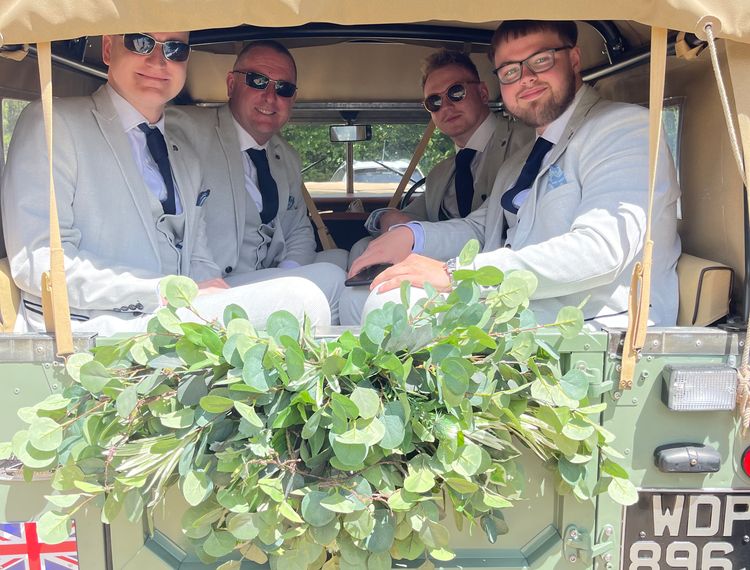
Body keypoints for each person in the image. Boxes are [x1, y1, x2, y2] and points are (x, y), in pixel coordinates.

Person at [341, 20, 681, 328]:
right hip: (519, 305)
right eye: (510, 71)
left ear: (574, 59)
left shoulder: (624, 128)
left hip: (591, 319)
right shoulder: (521, 161)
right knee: (360, 295)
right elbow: (481, 228)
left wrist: (456, 274)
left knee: (387, 304)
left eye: (541, 60)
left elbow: (600, 251)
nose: (526, 78)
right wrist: (412, 236)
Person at [2, 32, 336, 335]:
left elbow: (199, 257)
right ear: (107, 49)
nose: (158, 61)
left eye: (175, 49)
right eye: (140, 42)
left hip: (173, 313)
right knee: (300, 299)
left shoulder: (183, 155)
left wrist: (212, 294)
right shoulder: (53, 124)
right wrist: (160, 291)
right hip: (93, 325)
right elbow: (38, 264)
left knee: (331, 279)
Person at [168, 41, 347, 318]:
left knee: (339, 258)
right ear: (231, 85)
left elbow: (299, 230)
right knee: (331, 278)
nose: (270, 97)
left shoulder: (286, 156)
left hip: (261, 275)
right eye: (258, 81)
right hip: (212, 284)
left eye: (283, 88)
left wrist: (287, 274)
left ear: (293, 99)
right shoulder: (182, 130)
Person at [347, 49, 531, 267]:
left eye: (456, 92)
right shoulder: (440, 174)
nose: (446, 106)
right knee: (363, 247)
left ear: (482, 92)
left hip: (501, 264)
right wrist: (384, 217)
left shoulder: (527, 143)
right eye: (434, 102)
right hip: (441, 264)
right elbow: (407, 216)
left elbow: (491, 224)